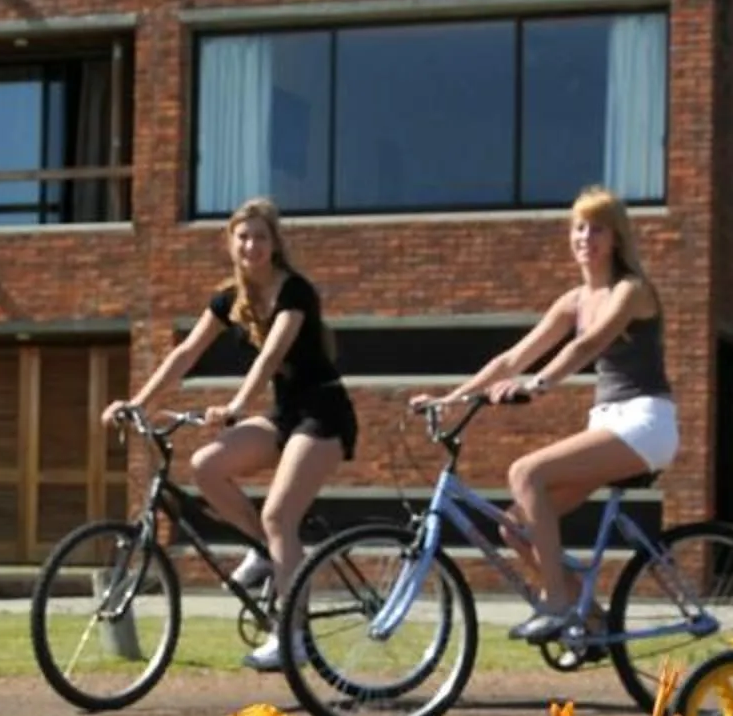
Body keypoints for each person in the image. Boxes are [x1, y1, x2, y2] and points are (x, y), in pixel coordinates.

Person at [414, 187, 676, 643]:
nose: (585, 237)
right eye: (579, 227)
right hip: (608, 423)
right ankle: (589, 617)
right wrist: (450, 399)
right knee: (515, 526)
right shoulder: (574, 299)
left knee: (525, 471)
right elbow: (511, 358)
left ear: (616, 238)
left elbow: (587, 345)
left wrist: (539, 383)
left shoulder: (631, 290)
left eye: (597, 228)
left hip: (644, 423)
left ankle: (555, 602)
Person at [105, 196, 354, 671]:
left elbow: (271, 356)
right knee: (207, 466)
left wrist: (237, 406)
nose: (251, 245)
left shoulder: (293, 291)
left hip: (323, 414)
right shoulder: (230, 299)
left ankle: (294, 637)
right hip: (285, 415)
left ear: (274, 243)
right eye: (243, 236)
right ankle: (264, 550)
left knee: (281, 515)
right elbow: (184, 356)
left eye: (261, 237)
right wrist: (137, 404)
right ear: (231, 243)